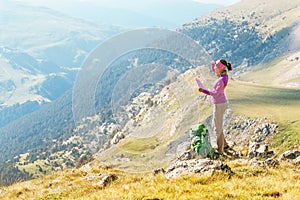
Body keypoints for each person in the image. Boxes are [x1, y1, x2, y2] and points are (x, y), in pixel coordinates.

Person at [198, 59, 232, 154]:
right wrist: (213, 65)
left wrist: (203, 90)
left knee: (217, 128)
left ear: (220, 69)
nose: (214, 69)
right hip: (220, 103)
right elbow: (217, 71)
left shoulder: (221, 80)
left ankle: (220, 150)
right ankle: (224, 145)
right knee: (216, 125)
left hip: (219, 104)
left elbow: (215, 93)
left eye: (216, 67)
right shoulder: (224, 75)